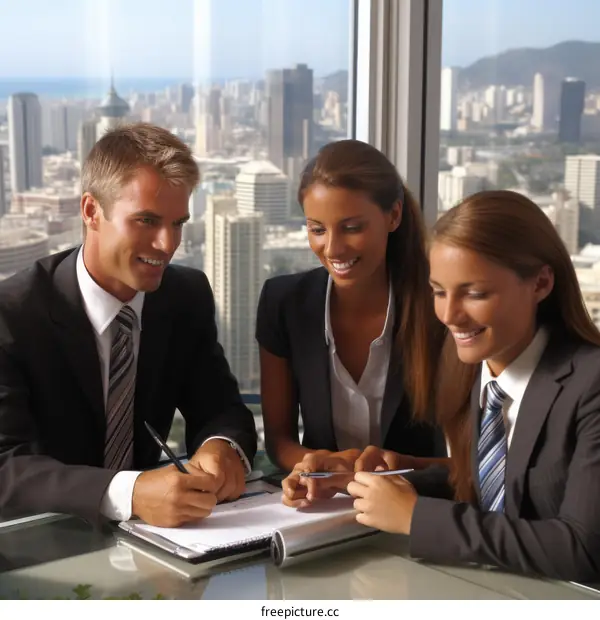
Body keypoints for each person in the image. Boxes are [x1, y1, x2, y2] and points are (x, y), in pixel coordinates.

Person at [0, 123, 257, 527]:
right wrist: (128, 492)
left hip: (151, 546)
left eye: (178, 223)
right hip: (33, 546)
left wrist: (219, 448)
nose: (167, 244)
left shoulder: (184, 295)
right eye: (147, 221)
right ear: (91, 211)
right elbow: (4, 466)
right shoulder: (12, 313)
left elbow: (222, 407)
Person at [347, 190, 600, 581]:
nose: (450, 316)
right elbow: (494, 486)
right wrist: (367, 486)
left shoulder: (590, 384)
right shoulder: (470, 362)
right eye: (439, 291)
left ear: (541, 283)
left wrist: (416, 518)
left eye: (475, 293)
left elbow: (582, 548)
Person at [255, 139, 448, 507]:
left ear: (393, 216)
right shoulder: (284, 303)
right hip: (324, 510)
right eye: (318, 229)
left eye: (351, 227)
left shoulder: (439, 308)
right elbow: (279, 442)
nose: (333, 248)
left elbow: (468, 466)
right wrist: (318, 466)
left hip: (419, 509)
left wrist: (365, 471)